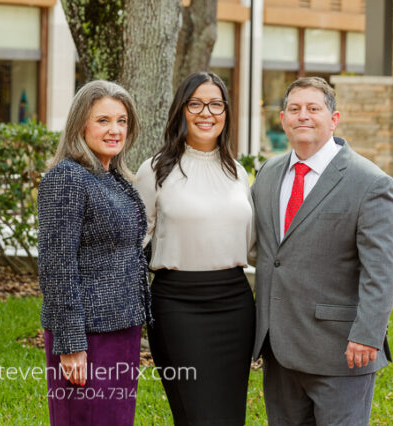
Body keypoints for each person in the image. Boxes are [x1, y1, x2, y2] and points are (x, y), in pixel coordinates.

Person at [251, 76, 393, 425]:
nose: (303, 115)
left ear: (333, 119)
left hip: (342, 352)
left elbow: (382, 269)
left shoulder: (370, 182)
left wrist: (368, 334)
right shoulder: (269, 173)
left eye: (313, 108)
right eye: (294, 108)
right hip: (280, 349)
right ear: (283, 118)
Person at [134, 71, 255, 425]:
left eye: (216, 104)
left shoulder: (237, 172)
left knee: (230, 416)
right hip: (177, 306)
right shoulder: (155, 170)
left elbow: (254, 248)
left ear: (226, 112)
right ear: (181, 111)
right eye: (196, 103)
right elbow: (133, 242)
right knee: (197, 415)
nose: (207, 112)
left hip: (234, 303)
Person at [37, 80, 150, 426]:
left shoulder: (111, 177)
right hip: (87, 335)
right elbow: (57, 265)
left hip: (122, 329)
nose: (115, 130)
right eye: (103, 120)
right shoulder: (67, 178)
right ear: (80, 124)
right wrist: (71, 343)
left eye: (122, 121)